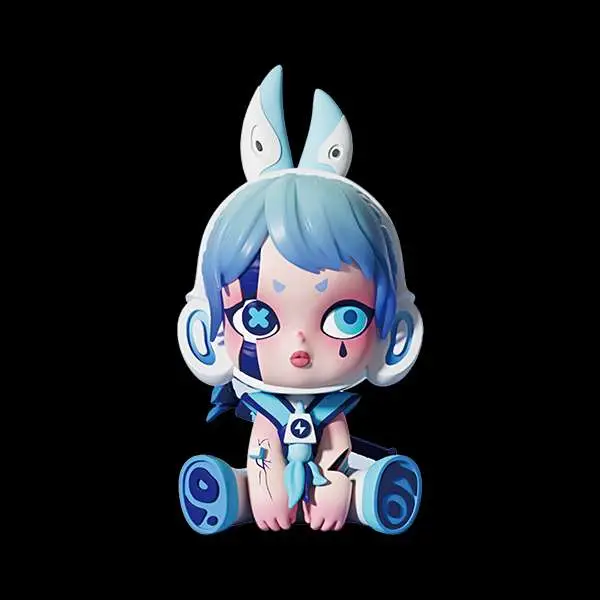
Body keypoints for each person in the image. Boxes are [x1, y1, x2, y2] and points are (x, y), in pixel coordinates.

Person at [177, 65, 423, 535]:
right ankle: (232, 495)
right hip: (267, 466)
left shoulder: (332, 414)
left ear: (394, 334)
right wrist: (267, 490)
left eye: (345, 317)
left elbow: (335, 453)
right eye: (258, 317)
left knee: (345, 483)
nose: (299, 346)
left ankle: (370, 497)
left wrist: (332, 490)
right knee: (260, 485)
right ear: (205, 332)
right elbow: (263, 448)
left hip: (335, 467)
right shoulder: (265, 410)